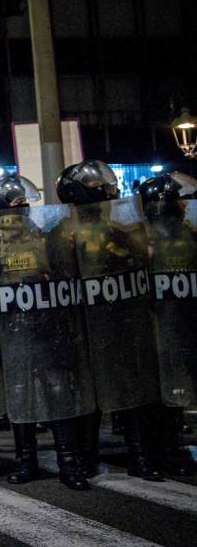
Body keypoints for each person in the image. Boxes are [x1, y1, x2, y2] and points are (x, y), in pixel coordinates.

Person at [0, 175, 93, 490]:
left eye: (23, 204)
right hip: (12, 328)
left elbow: (63, 274)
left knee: (56, 390)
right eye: (16, 205)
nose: (23, 210)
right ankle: (27, 462)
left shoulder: (42, 238)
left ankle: (69, 462)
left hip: (45, 324)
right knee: (20, 393)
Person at [58, 160, 165, 481]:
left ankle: (140, 455)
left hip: (119, 320)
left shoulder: (120, 229)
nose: (108, 191)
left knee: (131, 389)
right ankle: (84, 457)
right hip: (83, 324)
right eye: (99, 188)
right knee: (88, 396)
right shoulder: (63, 234)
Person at [136, 174, 196, 476]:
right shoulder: (142, 239)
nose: (183, 204)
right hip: (155, 323)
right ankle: (155, 452)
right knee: (157, 393)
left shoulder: (188, 234)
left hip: (182, 321)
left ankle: (173, 448)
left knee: (176, 390)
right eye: (177, 199)